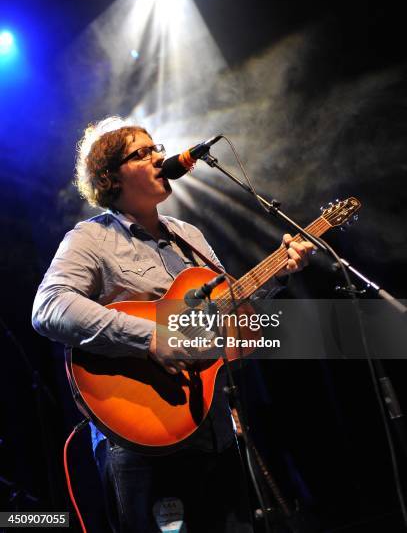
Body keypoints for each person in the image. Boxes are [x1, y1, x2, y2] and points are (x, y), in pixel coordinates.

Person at [32, 117, 313, 532]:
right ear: (110, 176)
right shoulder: (90, 239)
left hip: (212, 430)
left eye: (155, 147)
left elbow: (232, 311)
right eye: (142, 153)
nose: (159, 157)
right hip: (142, 439)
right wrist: (151, 337)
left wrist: (279, 274)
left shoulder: (189, 235)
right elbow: (49, 307)